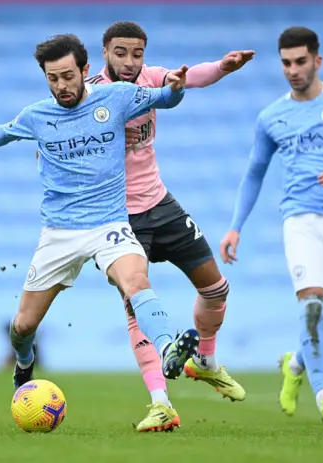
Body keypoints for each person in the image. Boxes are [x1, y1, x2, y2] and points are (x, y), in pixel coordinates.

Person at [0, 34, 202, 397]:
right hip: (60, 233)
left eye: (68, 76)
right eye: (53, 78)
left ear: (85, 70)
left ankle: (167, 350)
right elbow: (0, 134)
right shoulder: (38, 115)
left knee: (136, 282)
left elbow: (165, 98)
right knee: (22, 326)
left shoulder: (116, 98)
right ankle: (23, 362)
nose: (61, 86)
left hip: (110, 224)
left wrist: (176, 89)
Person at [87, 21, 254, 432]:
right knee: (136, 304)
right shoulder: (90, 93)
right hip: (117, 218)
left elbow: (188, 77)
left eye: (137, 53)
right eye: (121, 53)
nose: (130, 62)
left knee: (216, 289)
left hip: (161, 203)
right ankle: (161, 403)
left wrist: (223, 66)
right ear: (105, 51)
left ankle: (206, 361)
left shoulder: (150, 78)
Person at [220, 26, 323, 428]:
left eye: (300, 61)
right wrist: (235, 226)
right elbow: (255, 172)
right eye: (286, 63)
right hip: (301, 220)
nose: (293, 70)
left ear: (317, 61)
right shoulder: (272, 116)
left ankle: (295, 364)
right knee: (311, 307)